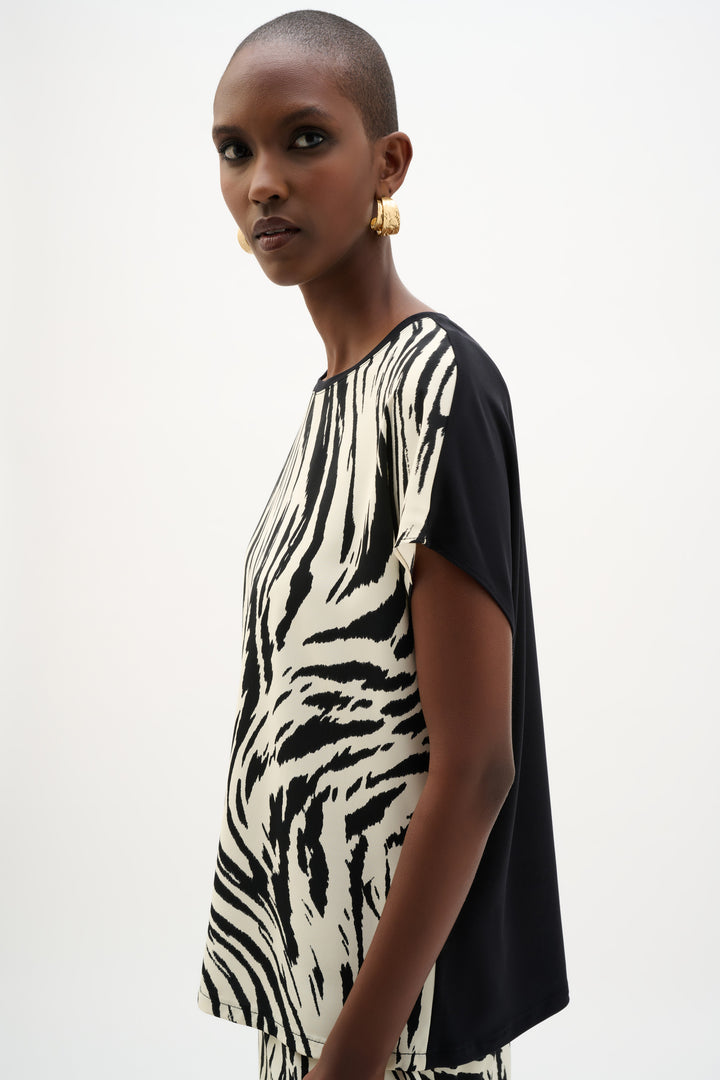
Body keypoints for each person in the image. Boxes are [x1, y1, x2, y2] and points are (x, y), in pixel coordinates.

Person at [197, 11, 569, 1080]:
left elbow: (477, 765)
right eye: (236, 149)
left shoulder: (438, 385)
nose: (264, 179)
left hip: (393, 1030)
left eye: (304, 138)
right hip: (304, 998)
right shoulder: (328, 407)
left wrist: (350, 1060)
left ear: (387, 162)